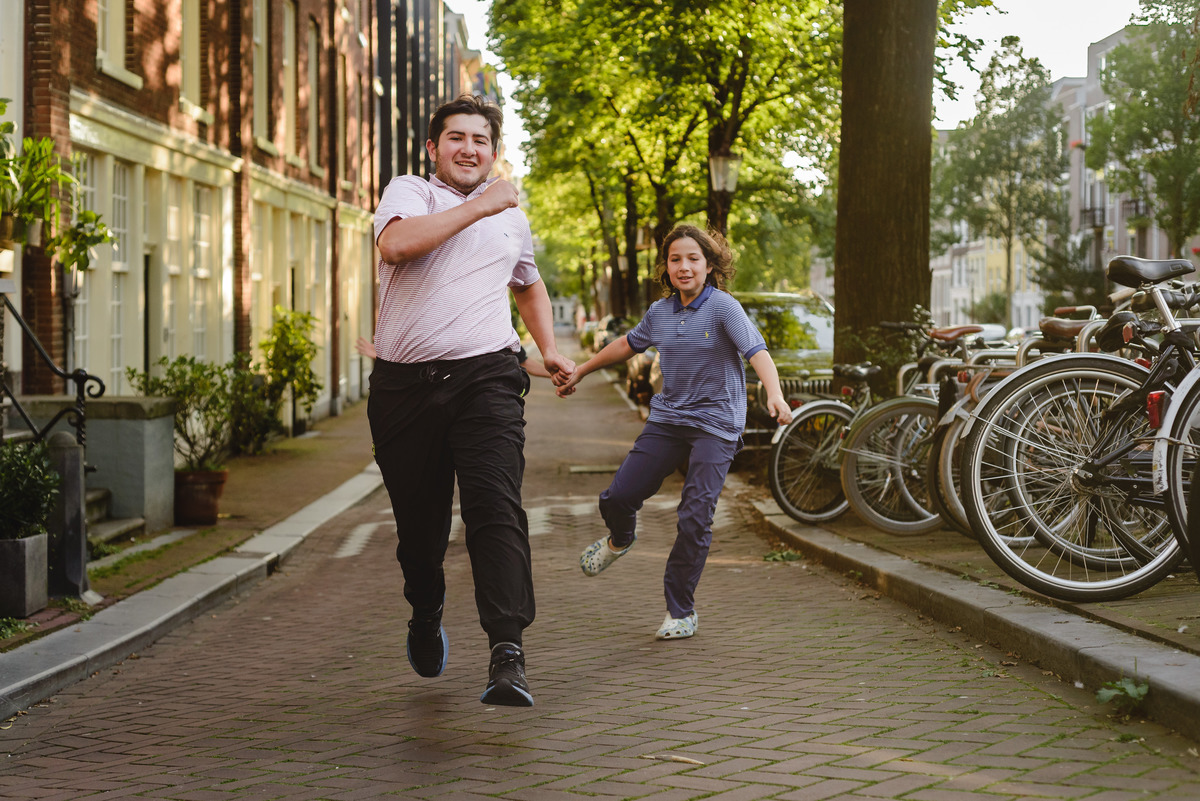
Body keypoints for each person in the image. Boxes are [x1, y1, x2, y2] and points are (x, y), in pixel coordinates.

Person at [370, 94, 574, 707]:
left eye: (481, 140)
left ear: (494, 150)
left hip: (488, 376)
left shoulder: (513, 219)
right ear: (433, 148)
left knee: (496, 507)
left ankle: (507, 652)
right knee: (421, 530)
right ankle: (425, 609)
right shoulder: (409, 192)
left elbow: (529, 283)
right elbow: (397, 247)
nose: (468, 149)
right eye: (456, 138)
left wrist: (550, 347)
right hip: (405, 387)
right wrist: (481, 205)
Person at [554, 224, 793, 640]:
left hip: (716, 425)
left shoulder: (724, 308)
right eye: (675, 259)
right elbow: (627, 345)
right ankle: (620, 539)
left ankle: (681, 611)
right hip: (669, 420)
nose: (684, 267)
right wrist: (581, 371)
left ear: (709, 264)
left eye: (693, 259)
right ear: (666, 267)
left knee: (694, 516)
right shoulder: (661, 312)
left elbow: (757, 352)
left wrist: (774, 393)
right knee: (618, 496)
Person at [357, 336, 552, 379]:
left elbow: (524, 361)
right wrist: (389, 356)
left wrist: (558, 374)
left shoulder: (494, 323)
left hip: (480, 402)